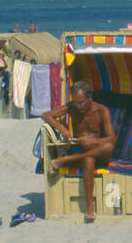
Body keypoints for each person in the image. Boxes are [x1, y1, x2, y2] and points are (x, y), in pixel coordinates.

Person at [40, 82, 116, 222]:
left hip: (98, 150)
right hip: (82, 153)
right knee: (88, 160)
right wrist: (61, 128)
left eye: (81, 103)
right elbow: (46, 115)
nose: (78, 106)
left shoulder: (101, 110)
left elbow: (112, 138)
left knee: (108, 147)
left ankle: (66, 160)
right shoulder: (72, 108)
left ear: (89, 98)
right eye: (75, 102)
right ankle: (89, 206)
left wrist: (92, 141)